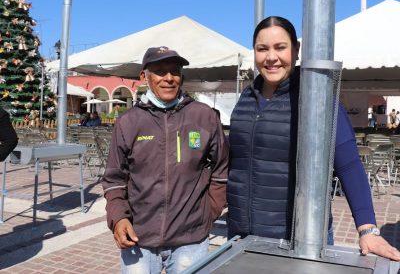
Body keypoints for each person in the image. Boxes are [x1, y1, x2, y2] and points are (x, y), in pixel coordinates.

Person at [227, 16, 400, 261]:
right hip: (242, 237)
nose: (271, 57)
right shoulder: (246, 98)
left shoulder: (315, 96)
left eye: (280, 47)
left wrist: (368, 229)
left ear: (296, 51)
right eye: (262, 49)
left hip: (297, 241)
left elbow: (349, 164)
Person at [101, 46, 229, 273]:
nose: (169, 78)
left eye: (175, 71)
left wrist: (209, 213)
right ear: (144, 77)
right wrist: (118, 218)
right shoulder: (128, 122)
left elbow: (222, 169)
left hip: (191, 239)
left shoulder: (203, 116)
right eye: (160, 71)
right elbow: (114, 179)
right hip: (138, 237)